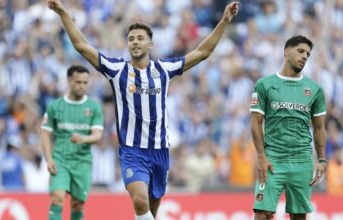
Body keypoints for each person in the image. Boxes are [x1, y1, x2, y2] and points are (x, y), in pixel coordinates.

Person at [47, 0, 239, 219]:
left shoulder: (164, 69)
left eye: (140, 38)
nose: (135, 42)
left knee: (152, 210)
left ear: (150, 45)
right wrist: (63, 13)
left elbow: (202, 52)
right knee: (139, 200)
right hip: (132, 151)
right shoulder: (117, 70)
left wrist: (224, 21)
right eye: (131, 39)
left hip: (160, 151)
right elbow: (83, 47)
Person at [250, 35, 327, 220]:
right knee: (262, 213)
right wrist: (261, 156)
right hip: (273, 159)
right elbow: (255, 123)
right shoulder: (264, 84)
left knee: (299, 216)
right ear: (287, 52)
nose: (304, 56)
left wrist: (322, 159)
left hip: (302, 160)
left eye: (307, 54)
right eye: (300, 51)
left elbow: (319, 128)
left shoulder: (314, 89)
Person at [41, 65, 104, 220]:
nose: (82, 86)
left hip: (82, 162)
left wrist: (84, 138)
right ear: (69, 80)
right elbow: (45, 134)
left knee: (78, 204)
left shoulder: (94, 107)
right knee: (57, 197)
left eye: (85, 82)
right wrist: (49, 159)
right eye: (78, 82)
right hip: (60, 159)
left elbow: (98, 135)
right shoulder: (55, 106)